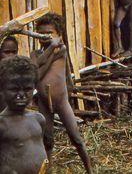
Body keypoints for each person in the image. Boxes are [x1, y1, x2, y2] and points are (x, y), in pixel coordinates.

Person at [30, 13, 93, 173]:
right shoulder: (35, 54)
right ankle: (48, 169)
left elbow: (43, 69)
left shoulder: (62, 49)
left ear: (59, 35)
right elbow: (36, 72)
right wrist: (51, 48)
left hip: (62, 102)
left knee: (76, 138)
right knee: (48, 140)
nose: (45, 36)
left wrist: (52, 49)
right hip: (44, 102)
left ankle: (89, 169)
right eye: (41, 33)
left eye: (50, 33)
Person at [0, 56, 48, 173]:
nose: (21, 94)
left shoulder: (38, 119)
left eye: (27, 89)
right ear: (1, 89)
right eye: (14, 89)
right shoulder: (2, 124)